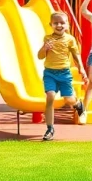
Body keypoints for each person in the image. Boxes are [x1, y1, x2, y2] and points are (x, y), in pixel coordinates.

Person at [36, 12, 86, 141]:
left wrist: (82, 68)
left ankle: (78, 104)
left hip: (64, 73)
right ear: (51, 25)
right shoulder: (47, 38)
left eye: (62, 23)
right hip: (50, 73)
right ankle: (50, 129)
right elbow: (40, 56)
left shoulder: (70, 39)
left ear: (67, 25)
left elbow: (76, 55)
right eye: (56, 23)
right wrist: (45, 48)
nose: (59, 25)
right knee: (50, 96)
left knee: (69, 100)